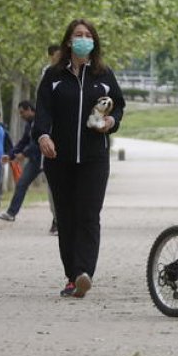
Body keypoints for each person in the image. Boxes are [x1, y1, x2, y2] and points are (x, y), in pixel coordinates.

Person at [33, 19, 126, 299]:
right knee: (66, 217)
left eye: (88, 35)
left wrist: (111, 121)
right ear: (69, 41)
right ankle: (71, 277)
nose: (83, 38)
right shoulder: (53, 75)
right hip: (58, 158)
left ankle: (84, 272)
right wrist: (43, 136)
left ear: (94, 42)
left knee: (88, 215)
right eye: (78, 35)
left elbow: (119, 106)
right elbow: (42, 111)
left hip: (94, 158)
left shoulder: (103, 74)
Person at [0, 101, 47, 225]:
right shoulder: (29, 125)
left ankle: (59, 220)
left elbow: (38, 142)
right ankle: (11, 213)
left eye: (22, 112)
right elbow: (24, 141)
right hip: (35, 160)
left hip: (49, 159)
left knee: (55, 191)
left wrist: (24, 154)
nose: (21, 116)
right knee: (22, 183)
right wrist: (11, 155)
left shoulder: (42, 120)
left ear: (29, 109)